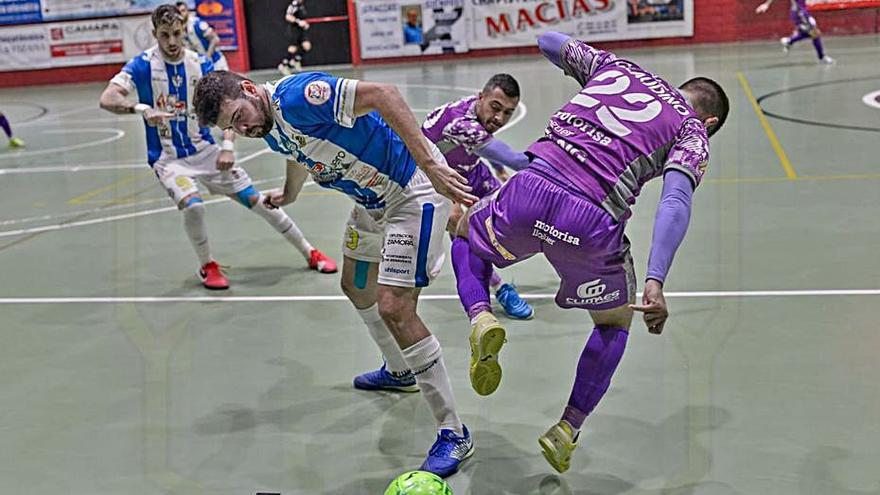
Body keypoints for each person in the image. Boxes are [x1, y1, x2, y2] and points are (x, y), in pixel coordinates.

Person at [452, 31, 729, 472]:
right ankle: (567, 428)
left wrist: (581, 62)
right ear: (710, 122)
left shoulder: (618, 68)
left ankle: (481, 315)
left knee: (464, 231)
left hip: (531, 188)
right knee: (614, 322)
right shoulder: (693, 132)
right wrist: (656, 279)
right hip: (592, 221)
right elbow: (675, 200)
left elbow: (548, 40)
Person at [193, 69, 478, 477]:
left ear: (251, 90)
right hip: (371, 199)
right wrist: (290, 194)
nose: (242, 128)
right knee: (355, 285)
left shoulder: (300, 97)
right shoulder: (268, 124)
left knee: (394, 307)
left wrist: (430, 163)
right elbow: (297, 151)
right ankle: (400, 371)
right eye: (232, 128)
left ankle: (454, 432)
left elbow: (384, 92)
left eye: (239, 116)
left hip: (409, 191)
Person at [99, 5, 336, 290]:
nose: (172, 42)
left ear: (184, 30)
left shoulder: (200, 64)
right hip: (168, 158)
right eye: (165, 35)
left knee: (259, 201)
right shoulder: (142, 65)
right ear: (154, 34)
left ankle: (310, 252)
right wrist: (140, 109)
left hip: (208, 152)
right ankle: (207, 265)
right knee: (193, 207)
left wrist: (227, 146)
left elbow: (230, 108)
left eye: (177, 33)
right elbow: (108, 98)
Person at [421, 73, 534, 320]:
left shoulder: (476, 114)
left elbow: (485, 148)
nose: (499, 118)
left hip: (468, 169)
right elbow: (515, 159)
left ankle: (488, 271)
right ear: (480, 97)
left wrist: (499, 170)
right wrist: (560, 171)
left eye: (507, 112)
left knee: (501, 210)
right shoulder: (461, 123)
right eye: (496, 108)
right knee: (459, 224)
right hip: (433, 177)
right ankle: (499, 288)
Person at [755, 0, 834, 64]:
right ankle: (821, 57)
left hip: (802, 12)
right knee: (815, 33)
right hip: (800, 14)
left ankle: (790, 41)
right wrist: (766, 4)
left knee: (809, 33)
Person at [175, 1, 229, 71]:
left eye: (183, 11)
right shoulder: (179, 29)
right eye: (179, 12)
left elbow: (215, 39)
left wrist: (207, 57)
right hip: (200, 66)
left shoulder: (198, 24)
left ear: (188, 11)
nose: (181, 14)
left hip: (216, 62)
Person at [278, 0, 311, 75]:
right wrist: (298, 22)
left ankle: (296, 60)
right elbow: (288, 16)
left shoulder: (301, 5)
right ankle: (283, 65)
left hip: (301, 31)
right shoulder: (294, 4)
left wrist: (305, 24)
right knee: (293, 48)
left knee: (307, 46)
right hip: (294, 30)